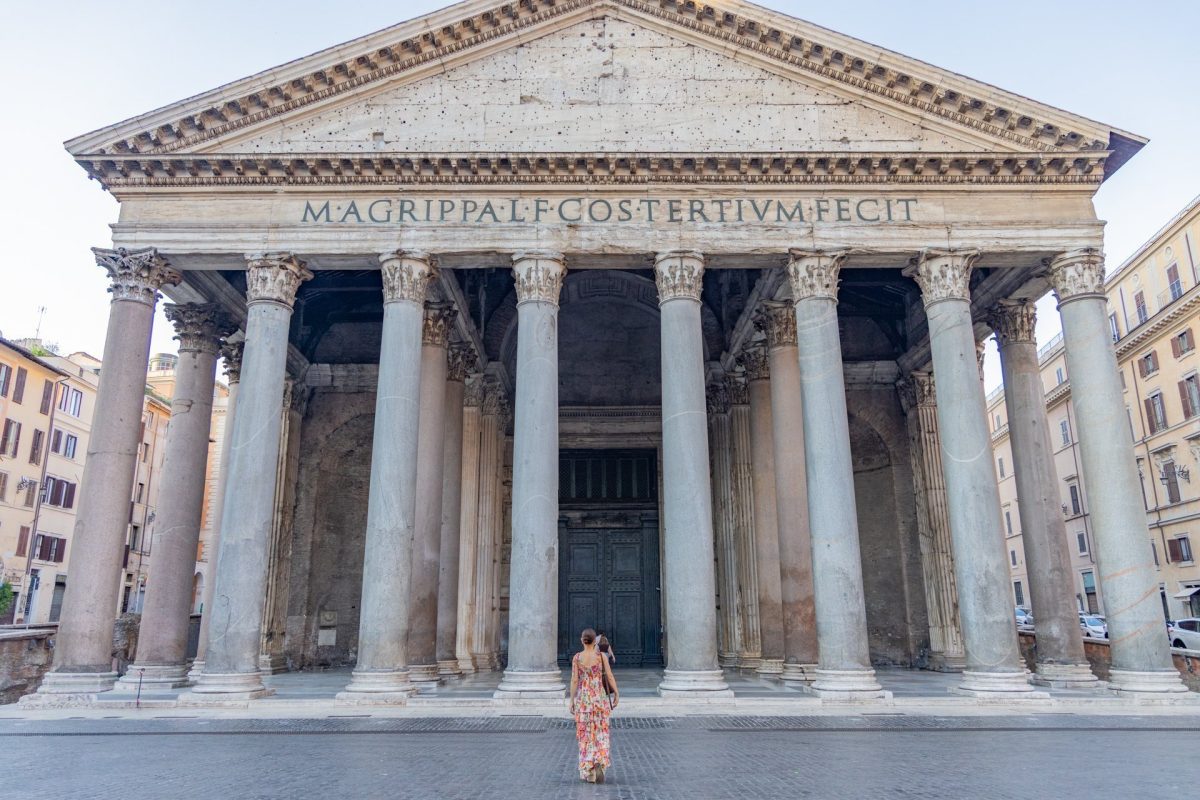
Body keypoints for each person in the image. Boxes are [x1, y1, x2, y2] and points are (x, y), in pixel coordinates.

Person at [568, 627, 619, 783]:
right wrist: (616, 692)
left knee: (586, 735)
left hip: (584, 700)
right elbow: (609, 675)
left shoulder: (577, 658)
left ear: (582, 640)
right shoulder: (601, 657)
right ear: (594, 641)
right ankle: (600, 762)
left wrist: (571, 700)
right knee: (600, 732)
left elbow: (575, 680)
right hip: (599, 699)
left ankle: (589, 770)